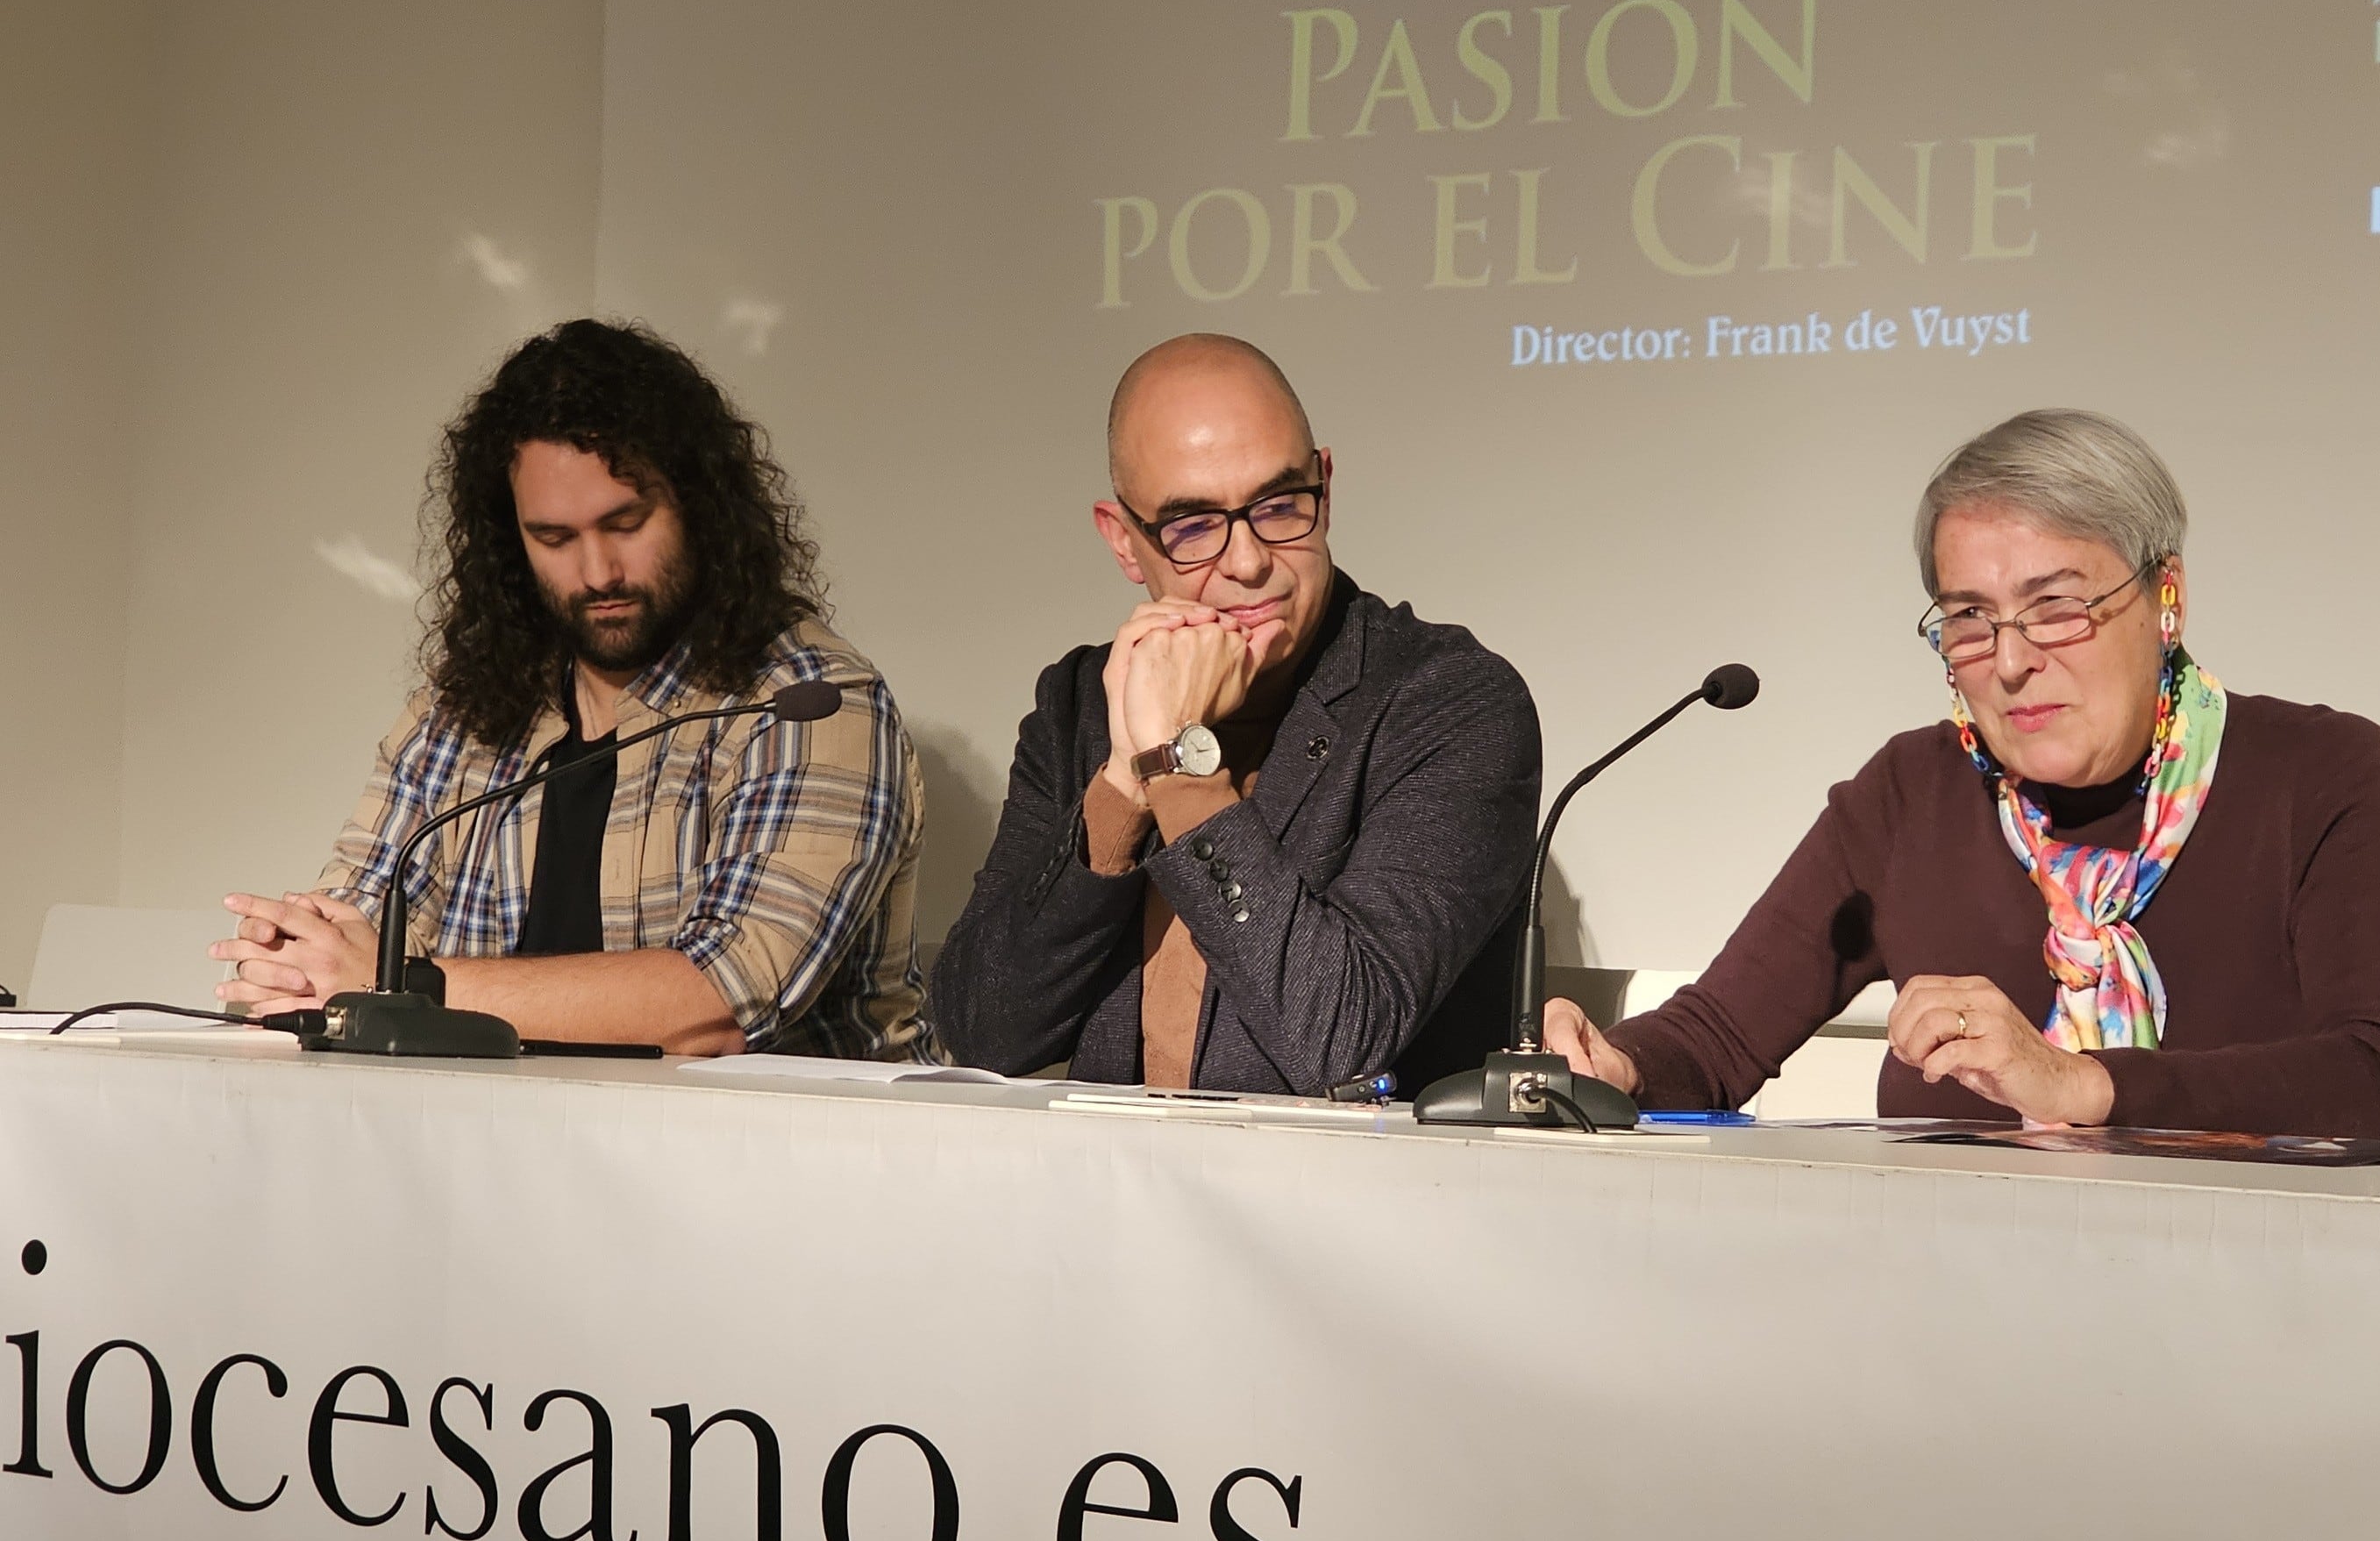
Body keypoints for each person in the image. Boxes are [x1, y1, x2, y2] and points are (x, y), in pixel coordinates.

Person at [1545, 409, 2380, 1138]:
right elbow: (1719, 1037)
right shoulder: (1912, 792)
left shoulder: (2322, 775)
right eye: (1969, 618)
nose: (2009, 663)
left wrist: (2081, 1085)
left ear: (2164, 597)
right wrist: (1616, 1069)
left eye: (2056, 609)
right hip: (1947, 1309)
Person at [212, 319, 930, 1059]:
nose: (597, 573)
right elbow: (343, 943)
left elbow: (716, 1005)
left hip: (775, 1163)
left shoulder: (809, 701)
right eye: (554, 539)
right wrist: (295, 964)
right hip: (501, 1149)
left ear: (701, 507)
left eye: (625, 523)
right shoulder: (465, 710)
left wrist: (408, 986)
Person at [932, 332, 1540, 1095]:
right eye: (1192, 528)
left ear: (1327, 487)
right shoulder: (1083, 702)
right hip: (1100, 1193)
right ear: (1125, 542)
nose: (1249, 562)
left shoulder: (1449, 702)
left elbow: (1338, 1040)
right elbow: (982, 1030)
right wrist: (1125, 778)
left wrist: (1177, 766)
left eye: (1281, 506)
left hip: (1349, 1205)